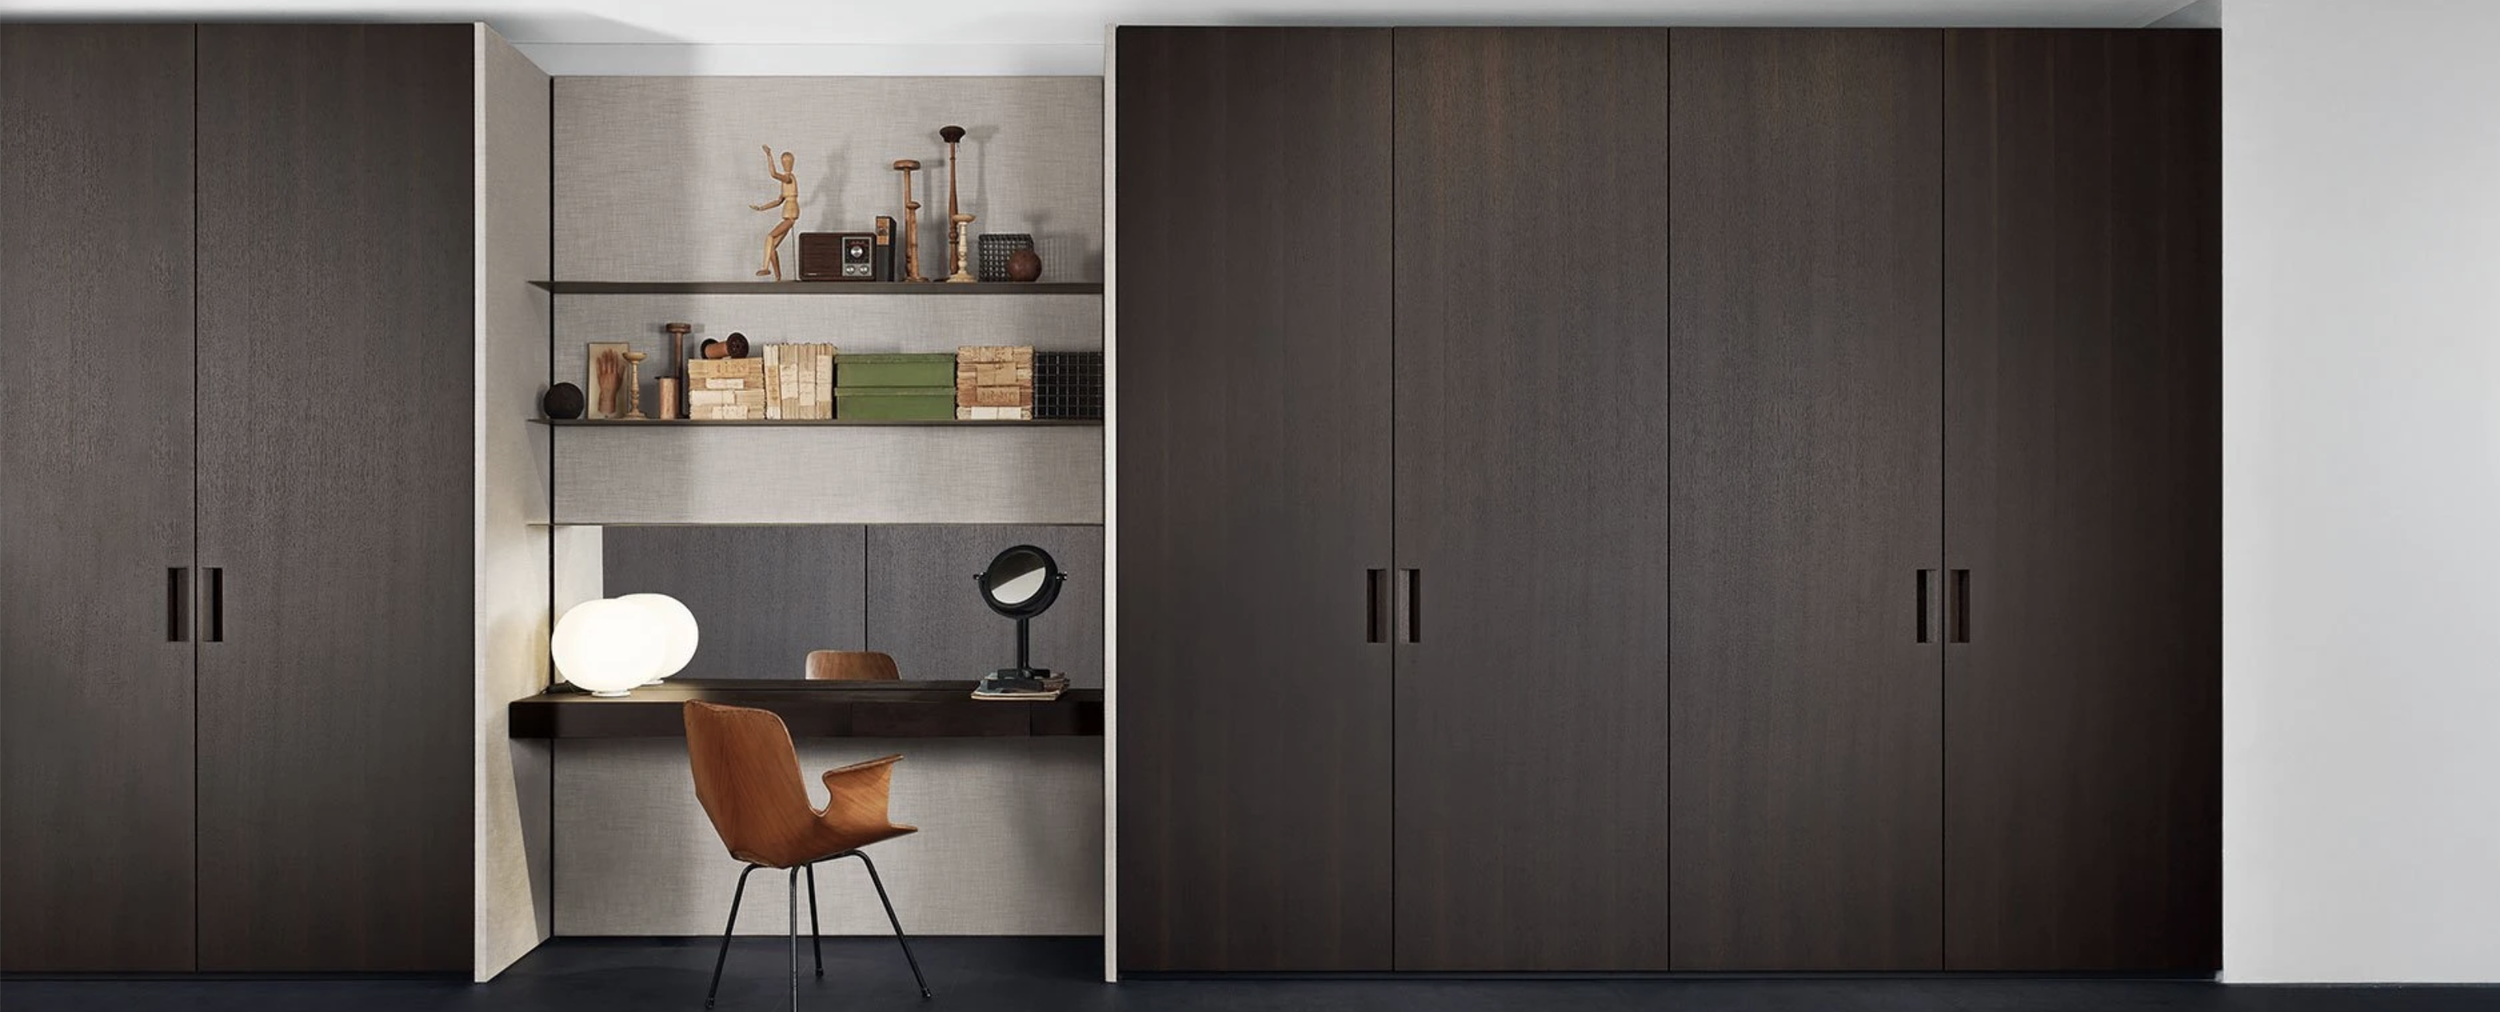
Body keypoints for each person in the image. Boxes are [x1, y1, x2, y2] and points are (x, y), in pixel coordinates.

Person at [749, 145, 800, 280]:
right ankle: (778, 278)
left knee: (769, 237)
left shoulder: (789, 178)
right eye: (784, 162)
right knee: (772, 247)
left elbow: (773, 174)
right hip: (788, 216)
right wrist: (761, 208)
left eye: (787, 162)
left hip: (790, 215)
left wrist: (769, 155)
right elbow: (778, 201)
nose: (786, 165)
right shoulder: (787, 182)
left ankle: (765, 268)